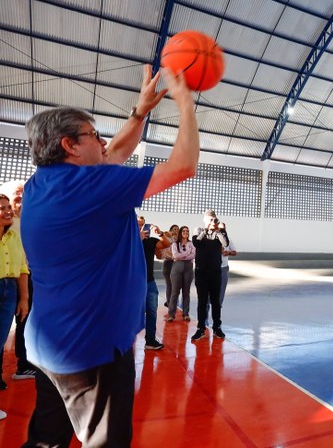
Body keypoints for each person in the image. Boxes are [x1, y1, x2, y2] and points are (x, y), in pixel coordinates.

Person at [21, 64, 199, 446]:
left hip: (49, 344)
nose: (102, 142)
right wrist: (185, 104)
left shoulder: (43, 185)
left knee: (46, 440)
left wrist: (140, 113)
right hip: (91, 350)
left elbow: (115, 151)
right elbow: (184, 166)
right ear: (69, 145)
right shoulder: (92, 187)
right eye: (92, 135)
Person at [1, 180, 36, 382]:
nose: (21, 198)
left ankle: (23, 365)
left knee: (24, 321)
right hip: (8, 278)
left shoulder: (28, 219)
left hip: (24, 277)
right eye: (17, 194)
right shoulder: (8, 222)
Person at [0, 193, 30, 420]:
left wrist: (23, 299)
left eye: (7, 207)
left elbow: (22, 268)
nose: (7, 210)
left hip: (10, 291)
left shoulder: (13, 236)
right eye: (2, 208)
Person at [191, 210, 229, 342]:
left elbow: (225, 244)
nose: (212, 221)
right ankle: (200, 328)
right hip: (201, 272)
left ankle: (217, 327)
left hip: (215, 272)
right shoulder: (198, 229)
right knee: (202, 301)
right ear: (205, 219)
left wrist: (221, 230)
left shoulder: (219, 232)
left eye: (214, 219)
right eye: (210, 219)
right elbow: (197, 243)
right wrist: (207, 229)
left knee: (216, 301)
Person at [138, 217, 170, 350]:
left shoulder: (150, 240)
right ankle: (124, 344)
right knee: (131, 313)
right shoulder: (127, 240)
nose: (141, 227)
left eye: (143, 224)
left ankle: (150, 340)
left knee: (151, 311)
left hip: (149, 282)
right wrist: (136, 238)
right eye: (138, 224)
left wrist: (160, 233)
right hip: (132, 284)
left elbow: (166, 244)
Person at [169, 226, 195, 322]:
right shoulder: (175, 244)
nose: (186, 232)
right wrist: (187, 253)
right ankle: (171, 314)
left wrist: (182, 256)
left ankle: (186, 314)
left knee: (186, 292)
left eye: (187, 231)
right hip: (177, 268)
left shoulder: (191, 243)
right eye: (184, 231)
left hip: (188, 268)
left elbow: (194, 255)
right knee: (175, 292)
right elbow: (175, 255)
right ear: (180, 232)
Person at [159, 224, 179, 307]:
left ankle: (173, 302)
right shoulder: (166, 239)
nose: (176, 231)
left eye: (177, 229)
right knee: (169, 284)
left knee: (176, 285)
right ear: (170, 230)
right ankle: (169, 303)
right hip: (168, 263)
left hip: (176, 263)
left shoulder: (179, 240)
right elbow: (166, 251)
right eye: (174, 229)